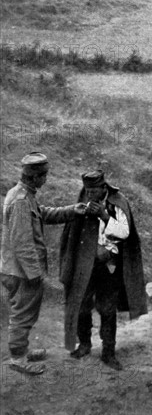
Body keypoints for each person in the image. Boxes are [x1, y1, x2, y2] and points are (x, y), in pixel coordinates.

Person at [1, 152, 86, 375]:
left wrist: (71, 211)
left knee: (24, 311)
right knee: (23, 313)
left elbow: (42, 214)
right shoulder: (20, 201)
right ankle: (18, 358)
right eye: (44, 175)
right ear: (34, 176)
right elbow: (21, 243)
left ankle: (22, 350)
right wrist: (34, 272)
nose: (46, 179)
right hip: (20, 271)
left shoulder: (23, 194)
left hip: (16, 269)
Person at [59, 170, 147, 370]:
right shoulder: (84, 199)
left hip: (109, 265)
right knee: (82, 303)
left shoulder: (118, 202)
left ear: (103, 188)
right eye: (87, 190)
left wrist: (104, 216)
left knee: (107, 308)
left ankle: (108, 352)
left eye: (93, 191)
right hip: (86, 264)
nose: (89, 195)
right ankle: (85, 344)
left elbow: (125, 232)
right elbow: (74, 229)